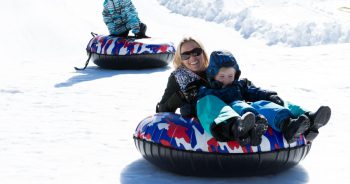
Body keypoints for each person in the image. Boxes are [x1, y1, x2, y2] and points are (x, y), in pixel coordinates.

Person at [156, 37, 331, 144]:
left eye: (196, 51)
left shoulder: (218, 67)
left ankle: (305, 120)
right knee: (212, 102)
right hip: (207, 115)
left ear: (203, 52)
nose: (192, 57)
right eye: (186, 55)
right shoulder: (178, 77)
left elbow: (246, 88)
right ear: (180, 58)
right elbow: (163, 109)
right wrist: (181, 97)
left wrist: (266, 95)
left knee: (264, 100)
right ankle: (236, 127)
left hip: (237, 108)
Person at [196, 50, 311, 145]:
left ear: (235, 75)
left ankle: (287, 124)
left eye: (230, 76)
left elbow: (255, 91)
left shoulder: (239, 85)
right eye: (222, 76)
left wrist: (269, 95)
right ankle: (240, 128)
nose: (226, 79)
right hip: (231, 116)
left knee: (260, 104)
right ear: (213, 75)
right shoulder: (207, 90)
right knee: (234, 104)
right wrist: (187, 107)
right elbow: (200, 106)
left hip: (246, 113)